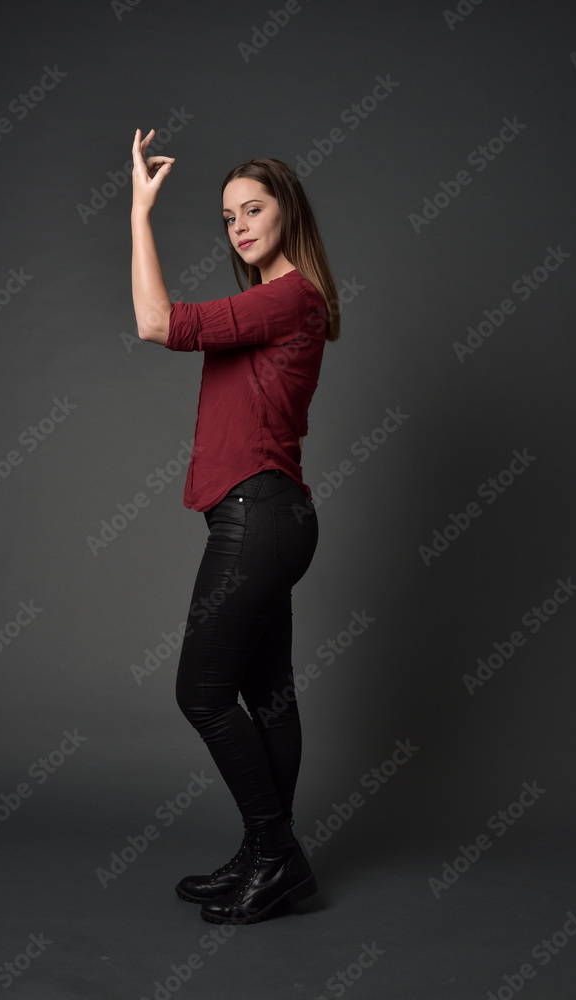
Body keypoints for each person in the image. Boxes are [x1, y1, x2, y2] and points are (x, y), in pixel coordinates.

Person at [130, 127, 340, 924]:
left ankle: (277, 851)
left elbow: (158, 323)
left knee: (203, 692)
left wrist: (141, 213)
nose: (240, 227)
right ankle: (265, 859)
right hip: (270, 515)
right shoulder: (279, 302)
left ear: (289, 212)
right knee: (268, 698)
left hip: (259, 518)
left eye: (254, 209)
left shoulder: (286, 296)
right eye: (227, 217)